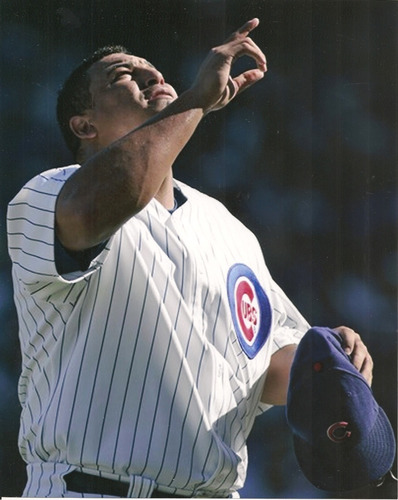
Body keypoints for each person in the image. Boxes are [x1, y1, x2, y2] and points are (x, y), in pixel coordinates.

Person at [7, 18, 373, 498]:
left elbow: (267, 367)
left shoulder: (227, 228)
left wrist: (331, 360)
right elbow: (109, 201)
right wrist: (195, 101)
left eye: (153, 70)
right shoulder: (50, 192)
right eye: (123, 74)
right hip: (89, 488)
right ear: (85, 124)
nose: (149, 75)